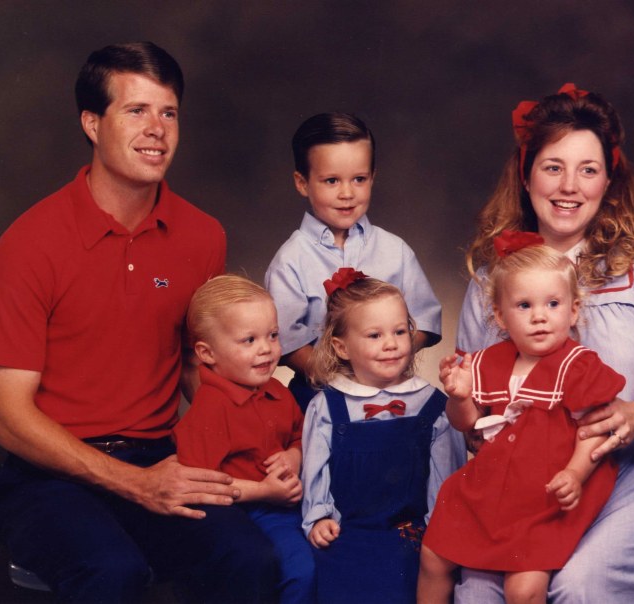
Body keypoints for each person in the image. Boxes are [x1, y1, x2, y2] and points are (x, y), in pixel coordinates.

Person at [0, 42, 278, 602]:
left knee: (253, 560)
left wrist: (268, 440)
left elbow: (200, 369)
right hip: (48, 477)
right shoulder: (30, 242)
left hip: (159, 457)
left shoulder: (202, 235)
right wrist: (136, 484)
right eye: (136, 111)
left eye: (168, 112)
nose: (157, 130)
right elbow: (5, 416)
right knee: (112, 573)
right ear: (92, 123)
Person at [453, 83, 634, 602]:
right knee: (479, 591)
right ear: (525, 175)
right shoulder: (493, 280)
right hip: (531, 489)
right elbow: (475, 409)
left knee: (579, 586)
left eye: (588, 169)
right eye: (553, 167)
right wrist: (481, 431)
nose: (569, 186)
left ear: (608, 182)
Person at [418, 234, 626, 603]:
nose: (540, 316)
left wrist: (576, 473)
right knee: (433, 556)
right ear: (501, 315)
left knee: (523, 588)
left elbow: (593, 429)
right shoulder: (488, 361)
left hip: (547, 490)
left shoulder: (577, 366)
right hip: (492, 485)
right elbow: (464, 423)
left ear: (573, 310)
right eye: (524, 305)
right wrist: (460, 396)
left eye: (553, 304)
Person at [301, 268, 466, 604]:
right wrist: (318, 515)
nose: (391, 344)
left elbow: (446, 480)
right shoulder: (327, 405)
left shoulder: (433, 404)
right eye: (374, 336)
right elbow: (316, 470)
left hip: (411, 532)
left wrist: (439, 530)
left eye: (400, 331)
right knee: (330, 579)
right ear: (341, 347)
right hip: (347, 529)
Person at [265, 112, 442, 411]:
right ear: (302, 182)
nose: (347, 193)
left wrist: (389, 359)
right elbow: (287, 342)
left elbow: (425, 319)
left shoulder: (394, 250)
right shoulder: (290, 260)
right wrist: (342, 378)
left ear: (373, 177)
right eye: (331, 180)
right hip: (319, 396)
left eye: (359, 179)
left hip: (392, 392)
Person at [173, 274, 315, 603]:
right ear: (207, 353)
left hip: (293, 501)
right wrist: (265, 491)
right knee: (300, 569)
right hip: (253, 510)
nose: (266, 349)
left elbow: (301, 435)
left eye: (273, 335)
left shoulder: (277, 392)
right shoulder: (210, 409)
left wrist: (294, 456)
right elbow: (202, 486)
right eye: (248, 340)